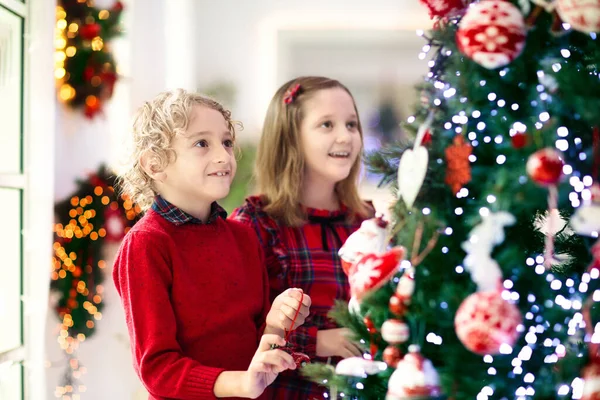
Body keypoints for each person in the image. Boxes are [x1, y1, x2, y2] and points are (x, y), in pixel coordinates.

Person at [113, 89, 311, 400]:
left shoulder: (243, 237)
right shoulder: (147, 245)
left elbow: (256, 353)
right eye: (202, 143)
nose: (224, 156)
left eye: (227, 142)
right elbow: (157, 369)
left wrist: (274, 324)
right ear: (154, 164)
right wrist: (242, 384)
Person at [231, 77, 374, 399]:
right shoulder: (255, 224)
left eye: (352, 124)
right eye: (326, 124)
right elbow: (236, 333)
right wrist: (320, 342)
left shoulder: (367, 223)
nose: (345, 136)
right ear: (290, 138)